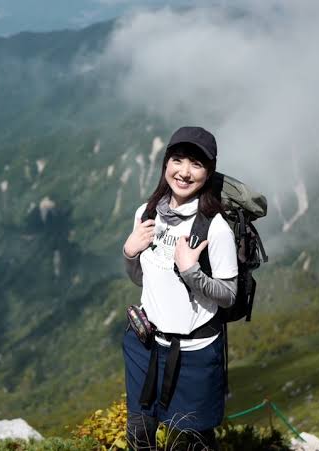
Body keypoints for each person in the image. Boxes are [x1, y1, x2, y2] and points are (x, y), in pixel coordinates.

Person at [121, 126, 238, 451]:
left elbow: (228, 294)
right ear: (166, 163)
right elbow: (143, 278)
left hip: (195, 351)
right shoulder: (145, 213)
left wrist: (191, 270)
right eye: (178, 160)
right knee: (139, 431)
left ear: (209, 172)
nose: (184, 172)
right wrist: (130, 252)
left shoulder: (214, 227)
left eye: (196, 164)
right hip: (145, 344)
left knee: (192, 439)